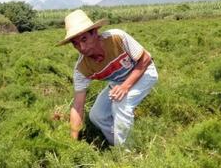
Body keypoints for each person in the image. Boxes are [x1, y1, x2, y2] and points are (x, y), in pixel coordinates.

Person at [57, 10, 158, 146]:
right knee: (96, 116)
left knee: (121, 105)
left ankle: (127, 157)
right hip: (118, 82)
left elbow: (145, 59)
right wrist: (72, 142)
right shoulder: (82, 69)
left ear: (95, 32)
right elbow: (78, 106)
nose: (81, 47)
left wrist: (125, 86)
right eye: (75, 43)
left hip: (144, 72)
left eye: (84, 39)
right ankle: (122, 145)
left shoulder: (117, 38)